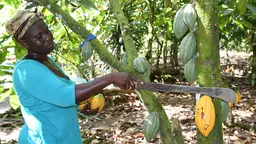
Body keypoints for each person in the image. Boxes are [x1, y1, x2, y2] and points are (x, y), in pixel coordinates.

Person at [6, 10, 136, 144]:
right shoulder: (26, 70)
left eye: (47, 31)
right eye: (39, 36)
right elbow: (65, 95)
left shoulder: (47, 61)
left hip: (64, 137)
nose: (47, 37)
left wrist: (82, 104)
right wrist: (110, 78)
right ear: (24, 43)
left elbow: (61, 92)